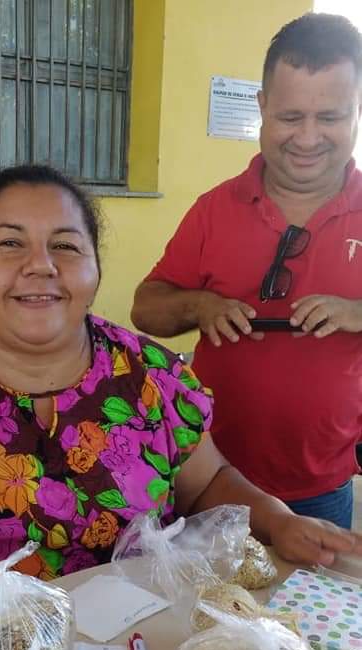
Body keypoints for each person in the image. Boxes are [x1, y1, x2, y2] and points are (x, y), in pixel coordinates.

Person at [0, 163, 360, 650]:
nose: (41, 266)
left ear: (96, 267)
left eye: (66, 246)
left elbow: (207, 482)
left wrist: (276, 519)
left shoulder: (151, 375)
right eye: (10, 244)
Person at [131, 13, 362, 531]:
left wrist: (357, 312)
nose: (307, 138)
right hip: (212, 480)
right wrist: (200, 306)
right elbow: (145, 307)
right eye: (290, 116)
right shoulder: (215, 208)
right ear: (262, 108)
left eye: (329, 117)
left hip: (321, 490)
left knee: (306, 614)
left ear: (356, 113)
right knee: (206, 612)